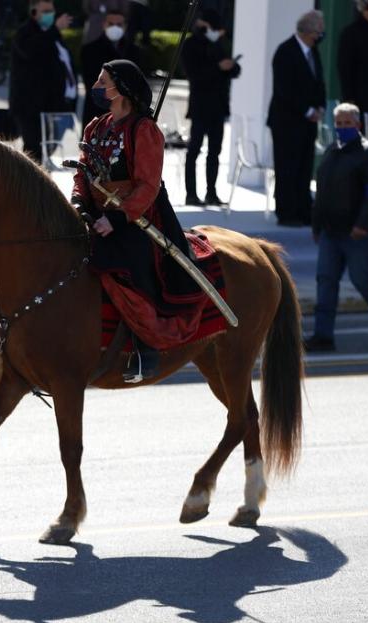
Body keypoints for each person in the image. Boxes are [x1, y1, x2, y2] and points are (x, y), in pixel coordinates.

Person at [71, 60, 200, 383]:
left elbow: (148, 185)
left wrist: (117, 218)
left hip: (140, 217)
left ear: (122, 87)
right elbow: (83, 171)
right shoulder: (95, 127)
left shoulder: (144, 129)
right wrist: (77, 200)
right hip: (97, 214)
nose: (97, 86)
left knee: (128, 268)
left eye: (103, 81)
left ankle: (146, 350)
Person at [304, 103, 368, 353]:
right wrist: (316, 225)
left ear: (358, 125)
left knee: (362, 279)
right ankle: (323, 335)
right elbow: (321, 192)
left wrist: (363, 225)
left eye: (348, 123)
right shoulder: (331, 151)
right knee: (326, 280)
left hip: (358, 232)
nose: (343, 128)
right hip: (330, 231)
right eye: (339, 124)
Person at [267, 10, 327, 227]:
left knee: (304, 166)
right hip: (286, 122)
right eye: (319, 30)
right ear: (308, 31)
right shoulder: (285, 52)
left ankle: (303, 210)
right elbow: (285, 89)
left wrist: (320, 107)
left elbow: (319, 83)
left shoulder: (314, 52)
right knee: (287, 167)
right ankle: (286, 211)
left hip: (307, 123)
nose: (321, 34)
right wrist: (307, 110)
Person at [181, 9, 240, 207]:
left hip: (219, 107)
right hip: (200, 107)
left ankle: (211, 193)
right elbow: (194, 74)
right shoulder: (191, 45)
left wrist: (231, 66)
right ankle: (191, 194)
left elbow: (233, 71)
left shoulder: (217, 45)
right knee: (194, 150)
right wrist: (218, 68)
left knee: (215, 152)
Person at [9, 0, 76, 164]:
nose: (50, 15)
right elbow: (32, 51)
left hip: (55, 106)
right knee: (34, 153)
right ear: (33, 12)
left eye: (51, 11)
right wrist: (55, 29)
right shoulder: (25, 33)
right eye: (45, 11)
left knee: (49, 153)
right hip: (31, 108)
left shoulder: (52, 35)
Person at [79, 8, 143, 129]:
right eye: (111, 24)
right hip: (96, 114)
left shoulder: (134, 52)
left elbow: (137, 84)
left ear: (125, 26)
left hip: (125, 116)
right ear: (104, 25)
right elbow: (92, 83)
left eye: (119, 24)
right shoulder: (89, 50)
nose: (115, 27)